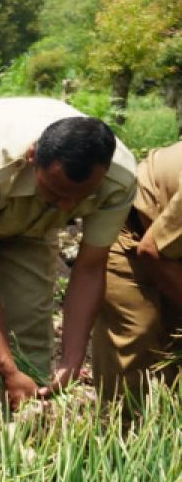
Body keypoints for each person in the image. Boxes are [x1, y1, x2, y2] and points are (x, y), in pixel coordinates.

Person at [0, 97, 138, 427]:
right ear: (32, 156)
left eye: (78, 199)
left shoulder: (119, 178)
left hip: (33, 226)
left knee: (31, 334)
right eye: (56, 191)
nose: (67, 208)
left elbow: (90, 268)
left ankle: (23, 450)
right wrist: (5, 369)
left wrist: (72, 360)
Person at [92, 141, 182, 406]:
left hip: (172, 244)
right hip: (131, 229)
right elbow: (153, 251)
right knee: (137, 333)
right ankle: (120, 434)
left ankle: (169, 428)